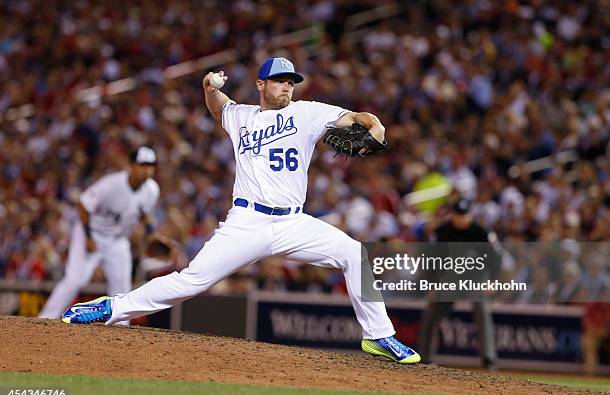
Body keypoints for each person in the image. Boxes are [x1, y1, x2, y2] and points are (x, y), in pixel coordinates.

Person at [61, 57, 420, 364]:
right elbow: (219, 106)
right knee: (191, 281)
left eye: (291, 82)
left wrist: (374, 123)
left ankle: (379, 336)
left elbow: (357, 118)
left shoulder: (309, 113)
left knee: (355, 254)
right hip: (247, 221)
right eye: (280, 81)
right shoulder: (241, 116)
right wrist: (208, 86)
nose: (287, 87)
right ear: (261, 84)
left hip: (294, 222)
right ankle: (111, 307)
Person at [38, 146, 159, 321]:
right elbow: (83, 205)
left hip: (117, 241)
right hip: (92, 233)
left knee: (121, 289)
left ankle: (120, 329)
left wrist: (151, 232)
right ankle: (46, 318)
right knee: (75, 280)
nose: (147, 170)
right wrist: (88, 237)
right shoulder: (112, 184)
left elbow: (144, 212)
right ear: (131, 165)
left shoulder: (152, 190)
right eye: (143, 165)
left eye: (151, 165)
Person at [418, 198, 498, 370]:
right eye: (458, 215)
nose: (461, 218)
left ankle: (489, 360)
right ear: (452, 214)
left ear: (471, 214)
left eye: (465, 215)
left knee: (482, 311)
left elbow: (495, 258)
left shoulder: (481, 232)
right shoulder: (442, 232)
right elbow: (432, 261)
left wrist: (491, 281)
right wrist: (432, 285)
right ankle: (425, 359)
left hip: (475, 279)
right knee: (431, 314)